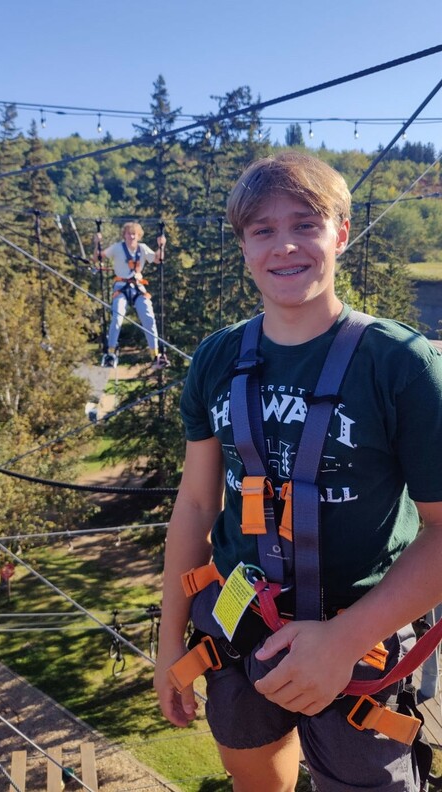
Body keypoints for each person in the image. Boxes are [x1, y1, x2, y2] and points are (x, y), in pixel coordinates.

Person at [153, 151, 442, 791]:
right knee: (254, 774)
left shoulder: (398, 363)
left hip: (364, 639)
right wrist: (168, 640)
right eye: (263, 230)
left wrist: (342, 642)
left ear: (340, 233)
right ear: (244, 247)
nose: (285, 245)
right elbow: (198, 506)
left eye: (306, 223)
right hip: (241, 629)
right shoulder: (218, 359)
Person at [93, 221, 169, 371]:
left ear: (138, 235)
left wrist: (162, 246)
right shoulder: (117, 248)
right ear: (125, 235)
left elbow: (158, 259)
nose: (131, 236)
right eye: (129, 233)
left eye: (134, 234)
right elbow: (98, 258)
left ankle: (156, 355)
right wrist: (97, 243)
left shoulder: (143, 248)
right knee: (117, 317)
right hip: (121, 287)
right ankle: (110, 353)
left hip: (138, 287)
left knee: (149, 318)